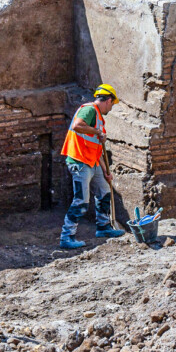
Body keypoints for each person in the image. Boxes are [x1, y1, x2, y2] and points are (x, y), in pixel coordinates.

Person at [59, 84, 126, 249]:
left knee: (104, 192)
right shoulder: (89, 110)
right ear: (108, 100)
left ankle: (103, 228)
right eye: (112, 104)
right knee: (81, 200)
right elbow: (76, 125)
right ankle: (67, 237)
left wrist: (105, 171)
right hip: (80, 162)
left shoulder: (99, 119)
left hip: (93, 162)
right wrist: (97, 132)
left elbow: (97, 149)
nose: (110, 108)